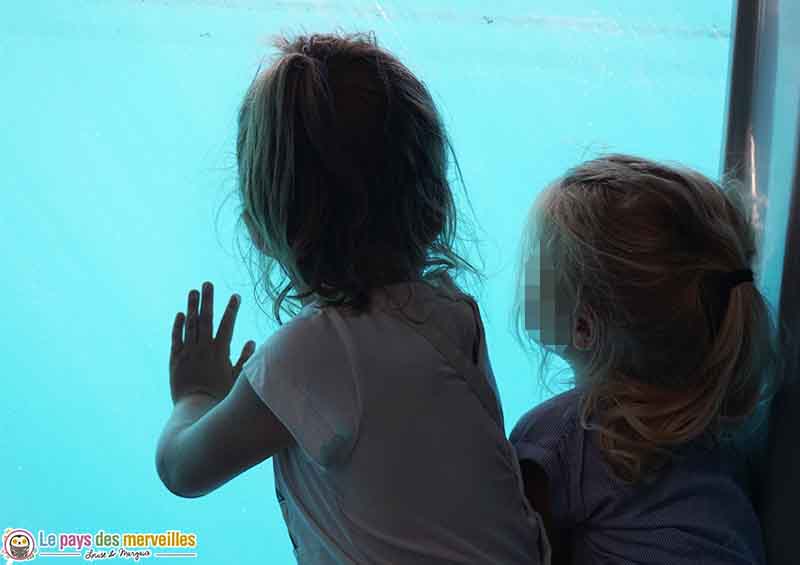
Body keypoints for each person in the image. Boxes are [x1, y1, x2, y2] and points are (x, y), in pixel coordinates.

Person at [156, 32, 548, 564]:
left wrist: (194, 397)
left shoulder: (307, 357)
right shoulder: (455, 314)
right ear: (433, 202)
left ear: (261, 225)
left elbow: (184, 470)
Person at [510, 154, 780, 564]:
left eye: (536, 268)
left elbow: (512, 551)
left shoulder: (558, 437)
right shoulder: (722, 427)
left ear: (583, 328)